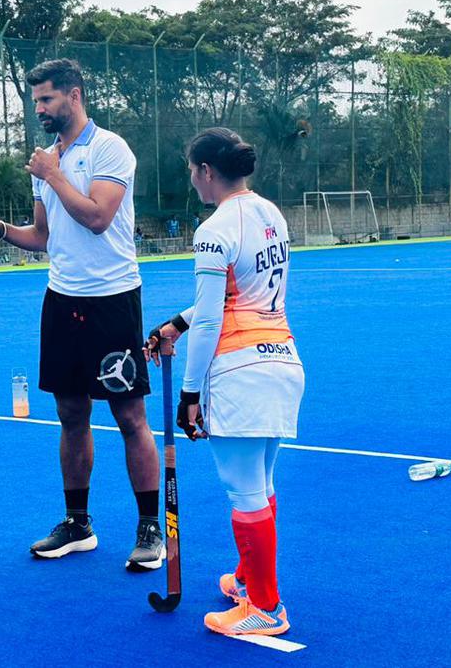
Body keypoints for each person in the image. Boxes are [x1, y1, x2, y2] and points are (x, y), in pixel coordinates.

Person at [0, 58, 164, 570]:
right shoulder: (46, 161)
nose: (40, 110)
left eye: (47, 100)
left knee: (128, 415)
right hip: (62, 300)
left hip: (113, 300)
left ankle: (149, 529)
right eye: (36, 102)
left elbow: (98, 218)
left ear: (74, 96)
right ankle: (78, 523)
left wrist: (52, 174)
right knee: (71, 413)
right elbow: (44, 238)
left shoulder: (109, 148)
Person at [144, 128, 303, 636]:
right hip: (282, 362)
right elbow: (238, 293)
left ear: (206, 171)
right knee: (261, 484)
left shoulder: (213, 229)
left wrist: (190, 392)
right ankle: (248, 578)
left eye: (192, 172)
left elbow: (215, 316)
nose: (192, 182)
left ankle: (266, 607)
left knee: (243, 491)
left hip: (240, 369)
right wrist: (177, 321)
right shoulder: (269, 213)